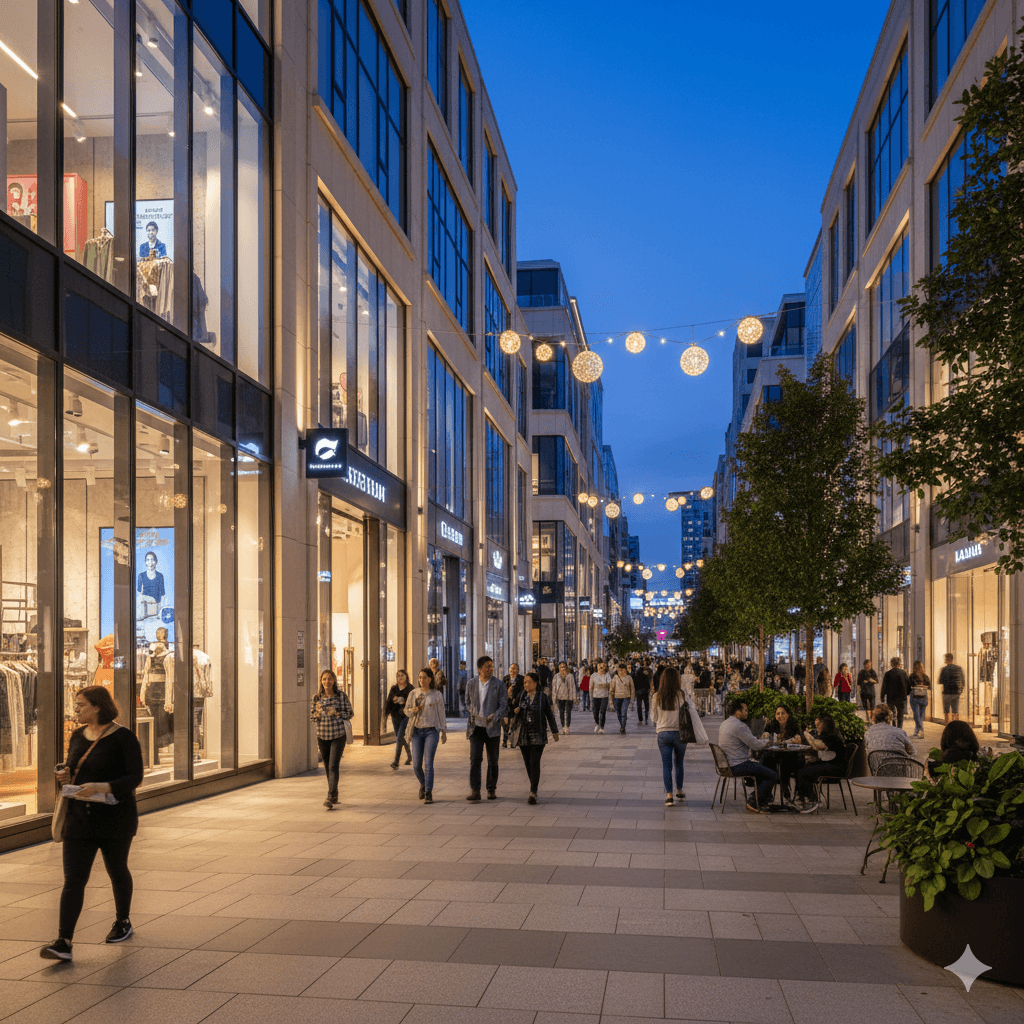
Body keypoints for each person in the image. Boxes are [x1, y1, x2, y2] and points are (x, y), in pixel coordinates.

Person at [41, 686, 144, 962]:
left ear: (97, 707)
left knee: (117, 869)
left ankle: (123, 921)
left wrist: (105, 786)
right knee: (74, 879)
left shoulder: (123, 738)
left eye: (80, 705)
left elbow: (135, 777)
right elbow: (74, 769)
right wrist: (65, 777)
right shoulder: (77, 736)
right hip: (79, 820)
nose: (76, 710)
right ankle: (64, 941)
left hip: (115, 819)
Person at [510, 671, 560, 803]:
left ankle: (533, 791)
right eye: (524, 682)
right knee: (527, 763)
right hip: (523, 734)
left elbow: (549, 714)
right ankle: (533, 786)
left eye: (528, 682)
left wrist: (554, 731)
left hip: (538, 734)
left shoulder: (542, 697)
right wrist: (515, 710)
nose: (525, 684)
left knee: (534, 762)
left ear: (535, 683)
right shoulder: (521, 695)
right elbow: (513, 709)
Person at [719, 699, 776, 812]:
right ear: (738, 712)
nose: (747, 712)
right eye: (745, 710)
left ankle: (761, 797)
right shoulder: (739, 726)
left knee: (763, 766)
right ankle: (754, 802)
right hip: (738, 765)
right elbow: (756, 746)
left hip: (727, 764)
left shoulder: (725, 723)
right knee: (772, 775)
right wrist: (770, 740)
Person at [465, 655, 508, 801]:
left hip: (492, 728)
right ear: (479, 669)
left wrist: (495, 716)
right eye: (487, 667)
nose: (490, 669)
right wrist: (475, 713)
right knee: (475, 759)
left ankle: (491, 789)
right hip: (476, 727)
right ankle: (475, 790)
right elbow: (467, 702)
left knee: (493, 760)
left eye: (491, 666)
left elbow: (503, 705)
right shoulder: (471, 684)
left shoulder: (499, 685)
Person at [310, 669, 354, 809]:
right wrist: (316, 714)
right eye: (324, 679)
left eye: (329, 679)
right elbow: (312, 716)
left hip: (338, 735)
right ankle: (334, 793)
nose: (326, 682)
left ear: (334, 680)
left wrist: (337, 713)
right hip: (322, 735)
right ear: (321, 682)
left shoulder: (341, 696)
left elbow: (350, 713)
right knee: (328, 767)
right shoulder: (316, 698)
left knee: (333, 765)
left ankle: (330, 796)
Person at [405, 667, 447, 803]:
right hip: (417, 731)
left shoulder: (436, 695)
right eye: (420, 677)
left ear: (430, 679)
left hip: (431, 731)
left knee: (428, 763)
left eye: (424, 677)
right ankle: (423, 783)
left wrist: (443, 731)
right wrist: (413, 709)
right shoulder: (413, 693)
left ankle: (428, 792)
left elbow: (441, 713)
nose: (421, 680)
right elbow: (406, 710)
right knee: (416, 765)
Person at [794, 713, 848, 813]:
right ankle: (801, 797)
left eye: (818, 725)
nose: (817, 727)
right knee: (802, 766)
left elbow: (816, 746)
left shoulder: (832, 737)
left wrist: (806, 734)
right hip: (831, 764)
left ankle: (811, 800)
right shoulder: (831, 735)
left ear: (825, 725)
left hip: (837, 768)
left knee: (804, 772)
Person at [652, 666, 690, 805]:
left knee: (666, 765)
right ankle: (679, 790)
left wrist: (662, 720)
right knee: (679, 763)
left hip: (663, 733)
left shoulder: (656, 696)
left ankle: (669, 796)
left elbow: (653, 717)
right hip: (680, 733)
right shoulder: (681, 695)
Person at [760, 705, 803, 805]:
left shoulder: (793, 725)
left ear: (788, 715)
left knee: (791, 760)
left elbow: (798, 738)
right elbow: (765, 737)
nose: (780, 716)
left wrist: (796, 739)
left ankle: (792, 791)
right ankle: (766, 793)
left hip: (790, 755)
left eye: (783, 713)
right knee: (767, 760)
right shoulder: (771, 725)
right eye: (777, 714)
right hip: (774, 755)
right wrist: (765, 735)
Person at [383, 668, 414, 770]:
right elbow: (388, 702)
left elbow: (413, 703)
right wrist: (386, 713)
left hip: (406, 716)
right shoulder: (394, 689)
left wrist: (404, 701)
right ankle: (409, 756)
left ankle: (396, 761)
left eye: (402, 675)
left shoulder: (410, 689)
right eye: (398, 676)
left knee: (399, 737)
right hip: (395, 716)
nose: (400, 678)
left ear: (406, 677)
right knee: (400, 737)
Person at [880, 657, 910, 731]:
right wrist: (907, 693)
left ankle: (893, 727)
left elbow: (884, 686)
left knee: (892, 714)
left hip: (891, 698)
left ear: (891, 664)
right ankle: (899, 729)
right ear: (899, 664)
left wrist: (882, 696)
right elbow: (908, 685)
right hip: (901, 697)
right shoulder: (903, 673)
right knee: (900, 714)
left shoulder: (887, 674)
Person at [501, 663, 525, 747]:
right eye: (511, 669)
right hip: (507, 704)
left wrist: (516, 698)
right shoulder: (505, 678)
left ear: (518, 670)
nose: (512, 671)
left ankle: (513, 741)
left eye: (514, 669)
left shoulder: (521, 679)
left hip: (516, 704)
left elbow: (522, 691)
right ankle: (504, 741)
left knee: (514, 723)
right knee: (505, 722)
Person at [552, 661, 578, 734]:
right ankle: (563, 726)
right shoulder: (556, 676)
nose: (562, 669)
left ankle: (567, 726)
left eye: (564, 667)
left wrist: (574, 697)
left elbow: (573, 687)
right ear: (558, 668)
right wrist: (553, 699)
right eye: (561, 667)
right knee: (561, 712)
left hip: (568, 697)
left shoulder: (570, 676)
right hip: (559, 697)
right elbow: (554, 688)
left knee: (568, 712)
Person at [939, 653, 965, 723]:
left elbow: (940, 681)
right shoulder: (959, 669)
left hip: (946, 693)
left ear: (947, 659)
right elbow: (963, 681)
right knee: (955, 711)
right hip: (955, 693)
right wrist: (960, 691)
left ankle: (947, 726)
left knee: (947, 712)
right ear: (952, 659)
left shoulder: (944, 669)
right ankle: (956, 726)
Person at [610, 662, 635, 733]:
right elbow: (611, 689)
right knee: (618, 713)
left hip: (626, 697)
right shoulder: (615, 678)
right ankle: (622, 722)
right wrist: (611, 700)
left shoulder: (629, 678)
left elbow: (632, 689)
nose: (621, 672)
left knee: (623, 712)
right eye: (620, 670)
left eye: (623, 670)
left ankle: (623, 726)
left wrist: (632, 698)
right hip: (617, 697)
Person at [908, 660, 930, 739]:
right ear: (918, 667)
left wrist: (924, 686)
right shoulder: (912, 676)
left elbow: (929, 686)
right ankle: (921, 730)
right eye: (921, 666)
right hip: (915, 698)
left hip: (923, 699)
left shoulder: (925, 676)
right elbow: (909, 685)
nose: (923, 667)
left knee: (919, 717)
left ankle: (917, 731)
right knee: (917, 716)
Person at [590, 660, 612, 732]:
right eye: (600, 666)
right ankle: (597, 723)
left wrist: (607, 685)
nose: (601, 668)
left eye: (603, 666)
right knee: (595, 712)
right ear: (597, 667)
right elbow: (591, 686)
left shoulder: (607, 675)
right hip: (595, 696)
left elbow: (610, 685)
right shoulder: (594, 675)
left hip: (604, 696)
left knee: (603, 711)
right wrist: (591, 696)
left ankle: (602, 727)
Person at [634, 661, 651, 726]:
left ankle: (640, 719)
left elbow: (635, 685)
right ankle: (646, 718)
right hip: (645, 693)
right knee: (646, 706)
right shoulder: (646, 676)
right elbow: (648, 684)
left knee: (639, 706)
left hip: (638, 693)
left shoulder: (636, 676)